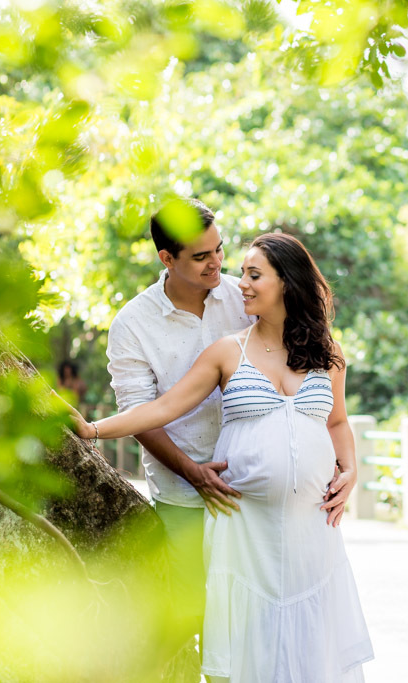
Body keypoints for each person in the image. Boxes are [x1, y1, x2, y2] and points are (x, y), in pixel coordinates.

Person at [70, 233, 373, 682]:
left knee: (314, 644)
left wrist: (351, 470)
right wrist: (92, 430)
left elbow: (337, 422)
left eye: (254, 275)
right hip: (243, 525)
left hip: (311, 527)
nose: (241, 284)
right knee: (245, 642)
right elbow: (162, 409)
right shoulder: (228, 351)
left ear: (287, 283)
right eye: (244, 273)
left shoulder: (328, 352)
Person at [104, 198, 254, 675]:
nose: (217, 263)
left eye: (220, 250)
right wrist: (193, 473)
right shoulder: (132, 324)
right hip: (181, 493)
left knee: (251, 616)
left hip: (252, 484)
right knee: (192, 612)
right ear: (167, 259)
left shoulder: (244, 298)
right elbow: (140, 414)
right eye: (201, 256)